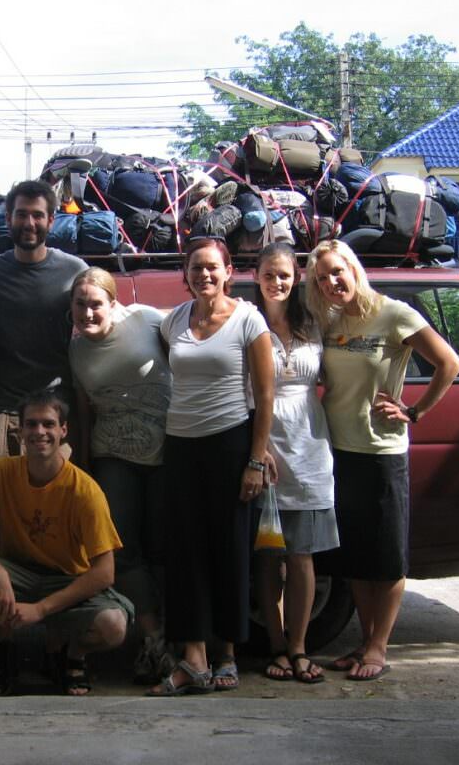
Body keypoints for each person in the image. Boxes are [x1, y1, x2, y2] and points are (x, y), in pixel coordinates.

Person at [305, 239, 459, 681]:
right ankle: (364, 641)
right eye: (322, 278)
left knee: (388, 556)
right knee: (356, 555)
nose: (332, 282)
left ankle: (378, 647)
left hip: (381, 452)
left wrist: (415, 411)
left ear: (353, 268)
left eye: (337, 271)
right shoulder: (332, 320)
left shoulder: (394, 314)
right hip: (339, 450)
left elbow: (449, 363)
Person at [0, 390, 133, 696]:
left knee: (114, 625)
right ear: (21, 430)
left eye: (48, 424)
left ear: (63, 430)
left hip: (65, 577)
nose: (40, 432)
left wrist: (40, 610)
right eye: (32, 424)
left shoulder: (85, 491)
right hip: (17, 573)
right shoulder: (0, 472)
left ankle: (73, 655)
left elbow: (105, 573)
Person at [148, 237, 275, 696]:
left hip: (230, 443)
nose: (204, 274)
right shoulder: (174, 321)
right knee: (186, 553)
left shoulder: (248, 320)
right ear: (185, 274)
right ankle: (194, 659)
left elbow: (265, 395)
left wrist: (256, 459)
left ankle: (227, 655)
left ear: (227, 272)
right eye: (195, 267)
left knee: (229, 551)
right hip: (181, 446)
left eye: (211, 267)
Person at [68, 267, 174, 685]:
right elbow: (83, 411)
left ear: (114, 304)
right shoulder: (76, 350)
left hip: (165, 452)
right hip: (113, 455)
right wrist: (85, 465)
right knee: (123, 550)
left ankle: (180, 638)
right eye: (80, 304)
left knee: (164, 546)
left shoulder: (146, 320)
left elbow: (192, 348)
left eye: (96, 304)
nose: (87, 313)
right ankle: (152, 638)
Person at [252, 242, 338, 684]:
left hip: (309, 445)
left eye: (284, 275)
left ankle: (299, 646)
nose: (277, 282)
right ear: (256, 276)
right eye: (269, 274)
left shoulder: (314, 322)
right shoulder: (246, 322)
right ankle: (275, 644)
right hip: (265, 445)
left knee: (303, 557)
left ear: (296, 278)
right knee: (269, 557)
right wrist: (257, 449)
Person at [0, 179, 87, 462]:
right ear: (8, 218)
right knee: (4, 491)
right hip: (3, 414)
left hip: (56, 414)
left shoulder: (74, 271)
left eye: (38, 215)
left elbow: (106, 323)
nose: (29, 223)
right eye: (22, 214)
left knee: (58, 492)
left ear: (51, 221)